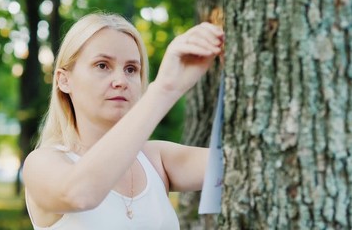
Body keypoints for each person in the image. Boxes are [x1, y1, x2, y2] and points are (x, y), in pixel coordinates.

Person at [22, 12, 224, 229]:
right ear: (64, 80)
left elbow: (243, 160)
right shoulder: (42, 163)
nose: (121, 81)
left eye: (131, 69)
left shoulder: (156, 159)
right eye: (102, 65)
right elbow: (79, 194)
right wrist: (164, 90)